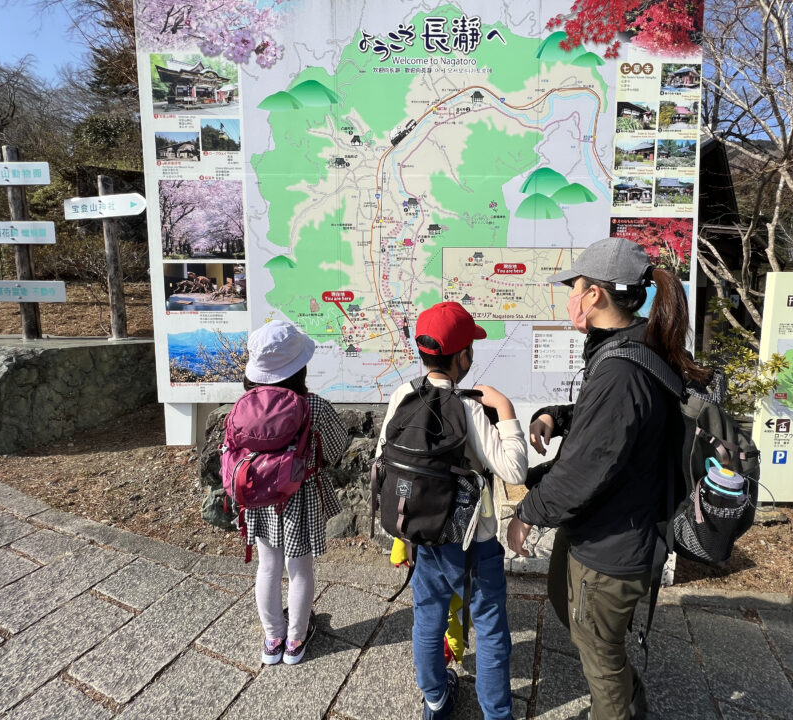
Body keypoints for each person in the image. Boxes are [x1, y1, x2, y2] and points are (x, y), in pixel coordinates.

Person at [506, 238, 710, 720]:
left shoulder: (620, 367)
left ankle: (619, 708)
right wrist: (558, 415)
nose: (571, 297)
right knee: (577, 616)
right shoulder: (636, 344)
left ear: (594, 295)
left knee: (599, 651)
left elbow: (585, 468)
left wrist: (527, 513)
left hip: (616, 539)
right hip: (611, 524)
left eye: (575, 287)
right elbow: (614, 422)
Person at [376, 302, 528, 720]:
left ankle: (436, 699)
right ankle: (496, 714)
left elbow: (385, 463)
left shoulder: (401, 396)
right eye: (470, 349)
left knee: (428, 619)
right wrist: (507, 410)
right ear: (462, 357)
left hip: (424, 536)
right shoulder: (471, 407)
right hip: (474, 543)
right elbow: (514, 468)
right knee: (492, 629)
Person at [239, 320, 350, 666]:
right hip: (301, 498)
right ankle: (296, 640)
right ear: (299, 368)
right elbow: (336, 449)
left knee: (268, 566)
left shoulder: (247, 404)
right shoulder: (313, 406)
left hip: (259, 501)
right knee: (299, 569)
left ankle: (273, 640)